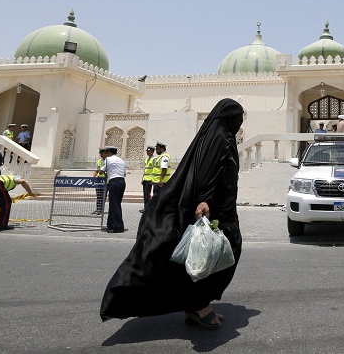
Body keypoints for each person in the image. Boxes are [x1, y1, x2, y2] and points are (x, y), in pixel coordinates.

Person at [101, 98, 244, 329]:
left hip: (220, 206)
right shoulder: (221, 138)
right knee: (220, 253)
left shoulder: (215, 136)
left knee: (204, 256)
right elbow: (208, 169)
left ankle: (194, 306)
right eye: (238, 117)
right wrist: (204, 199)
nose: (239, 122)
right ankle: (199, 305)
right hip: (215, 209)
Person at [103, 146, 126, 233]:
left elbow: (102, 171)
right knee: (115, 204)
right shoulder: (121, 161)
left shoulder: (108, 160)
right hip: (122, 182)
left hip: (114, 182)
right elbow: (124, 174)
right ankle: (111, 225)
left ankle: (118, 226)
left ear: (109, 152)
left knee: (114, 205)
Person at [140, 146, 157, 213]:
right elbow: (146, 170)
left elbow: (155, 170)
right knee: (145, 194)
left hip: (150, 179)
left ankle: (148, 208)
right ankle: (145, 207)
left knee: (148, 194)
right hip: (145, 179)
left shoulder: (154, 159)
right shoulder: (147, 159)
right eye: (147, 151)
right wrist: (142, 178)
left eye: (148, 151)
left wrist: (153, 179)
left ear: (152, 152)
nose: (147, 152)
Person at [92, 147, 108, 215]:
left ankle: (100, 209)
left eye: (102, 153)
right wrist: (93, 178)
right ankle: (98, 208)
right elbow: (96, 170)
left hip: (105, 181)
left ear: (106, 153)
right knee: (98, 195)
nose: (101, 155)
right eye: (100, 153)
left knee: (103, 195)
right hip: (99, 180)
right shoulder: (99, 161)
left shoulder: (108, 161)